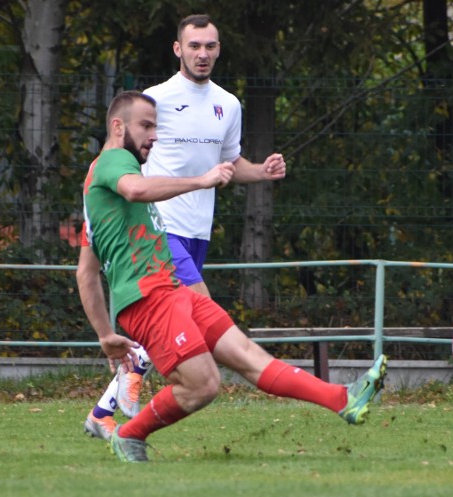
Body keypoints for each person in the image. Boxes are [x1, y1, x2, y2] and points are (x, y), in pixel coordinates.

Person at [77, 90, 387, 462]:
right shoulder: (113, 163)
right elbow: (135, 189)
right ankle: (129, 434)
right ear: (117, 126)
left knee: (248, 356)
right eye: (146, 126)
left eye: (156, 127)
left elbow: (86, 272)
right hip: (149, 300)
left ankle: (343, 399)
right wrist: (201, 179)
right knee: (204, 384)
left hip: (172, 291)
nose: (154, 136)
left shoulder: (102, 197)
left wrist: (105, 335)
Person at [84, 13, 287, 438]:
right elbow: (132, 161)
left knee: (189, 329)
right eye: (194, 45)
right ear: (178, 49)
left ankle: (107, 409)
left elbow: (230, 165)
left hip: (199, 232)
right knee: (204, 324)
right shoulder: (154, 101)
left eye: (210, 46)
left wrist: (262, 172)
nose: (202, 53)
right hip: (163, 229)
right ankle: (147, 386)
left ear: (218, 51)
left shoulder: (227, 104)